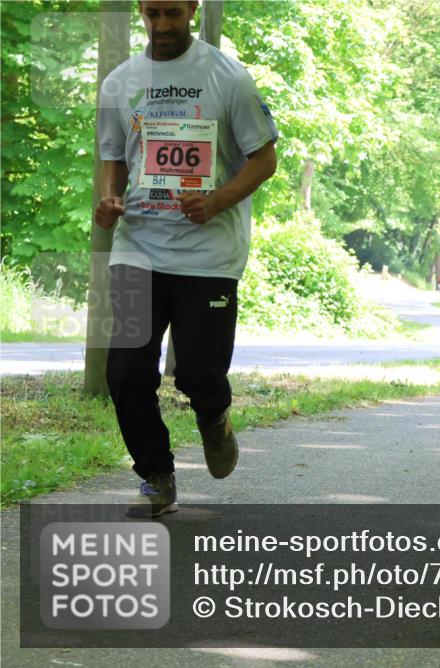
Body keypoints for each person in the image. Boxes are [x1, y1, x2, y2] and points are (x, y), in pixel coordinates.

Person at [95, 0, 278, 517]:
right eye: (153, 14)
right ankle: (156, 474)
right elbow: (113, 159)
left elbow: (264, 159)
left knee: (198, 372)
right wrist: (110, 199)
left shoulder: (228, 77)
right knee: (127, 372)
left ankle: (214, 414)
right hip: (137, 248)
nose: (163, 25)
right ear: (140, 11)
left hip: (208, 256)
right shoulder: (119, 83)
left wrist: (216, 200)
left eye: (173, 13)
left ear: (193, 8)